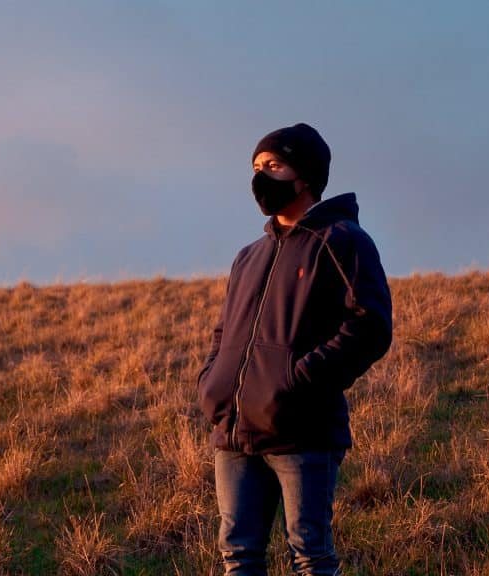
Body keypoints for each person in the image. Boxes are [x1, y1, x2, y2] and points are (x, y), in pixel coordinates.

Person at [196, 123, 393, 575]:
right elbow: (224, 333)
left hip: (303, 433)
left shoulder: (343, 240)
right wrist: (212, 383)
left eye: (274, 166)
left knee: (310, 556)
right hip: (235, 431)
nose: (261, 177)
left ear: (304, 175)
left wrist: (298, 382)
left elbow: (370, 325)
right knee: (239, 556)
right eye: (256, 167)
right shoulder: (249, 255)